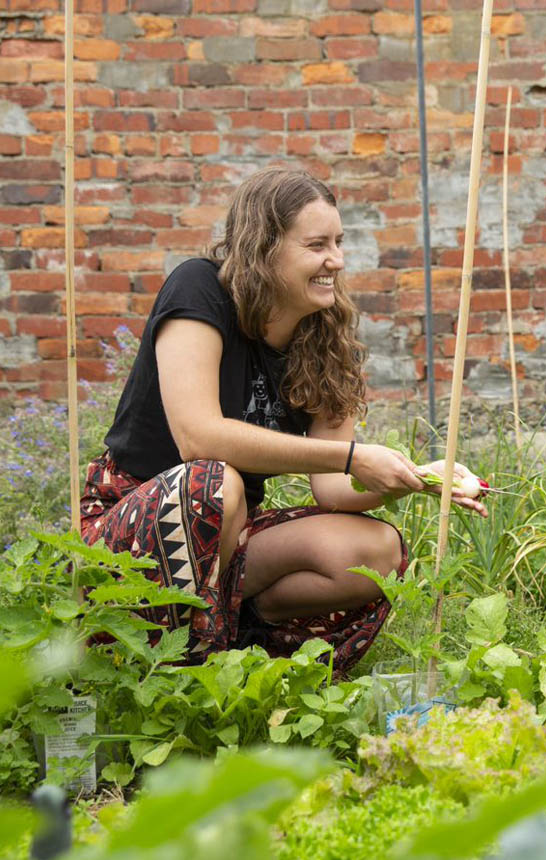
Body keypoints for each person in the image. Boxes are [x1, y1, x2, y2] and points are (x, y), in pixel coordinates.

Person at [80, 166, 486, 673]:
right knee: (214, 481)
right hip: (127, 532)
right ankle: (161, 664)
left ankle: (239, 639)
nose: (335, 261)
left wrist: (413, 477)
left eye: (338, 243)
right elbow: (196, 437)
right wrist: (354, 456)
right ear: (265, 248)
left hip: (232, 532)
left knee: (375, 551)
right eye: (317, 245)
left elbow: (333, 490)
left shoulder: (325, 335)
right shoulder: (200, 289)